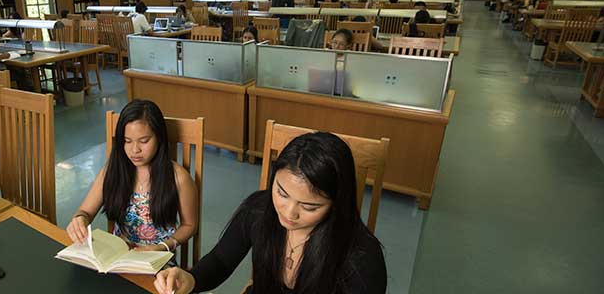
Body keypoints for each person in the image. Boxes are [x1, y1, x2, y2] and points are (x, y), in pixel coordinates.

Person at [155, 132, 387, 294]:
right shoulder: (258, 209)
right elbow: (221, 261)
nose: (289, 213)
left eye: (309, 207)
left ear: (338, 203)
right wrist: (191, 279)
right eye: (281, 193)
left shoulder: (361, 257)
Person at [66, 99, 198, 253]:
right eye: (127, 141)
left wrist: (164, 246)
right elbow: (85, 211)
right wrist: (80, 219)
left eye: (144, 141)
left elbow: (190, 225)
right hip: (117, 256)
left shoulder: (178, 177)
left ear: (159, 138)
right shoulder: (113, 170)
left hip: (157, 259)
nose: (135, 150)